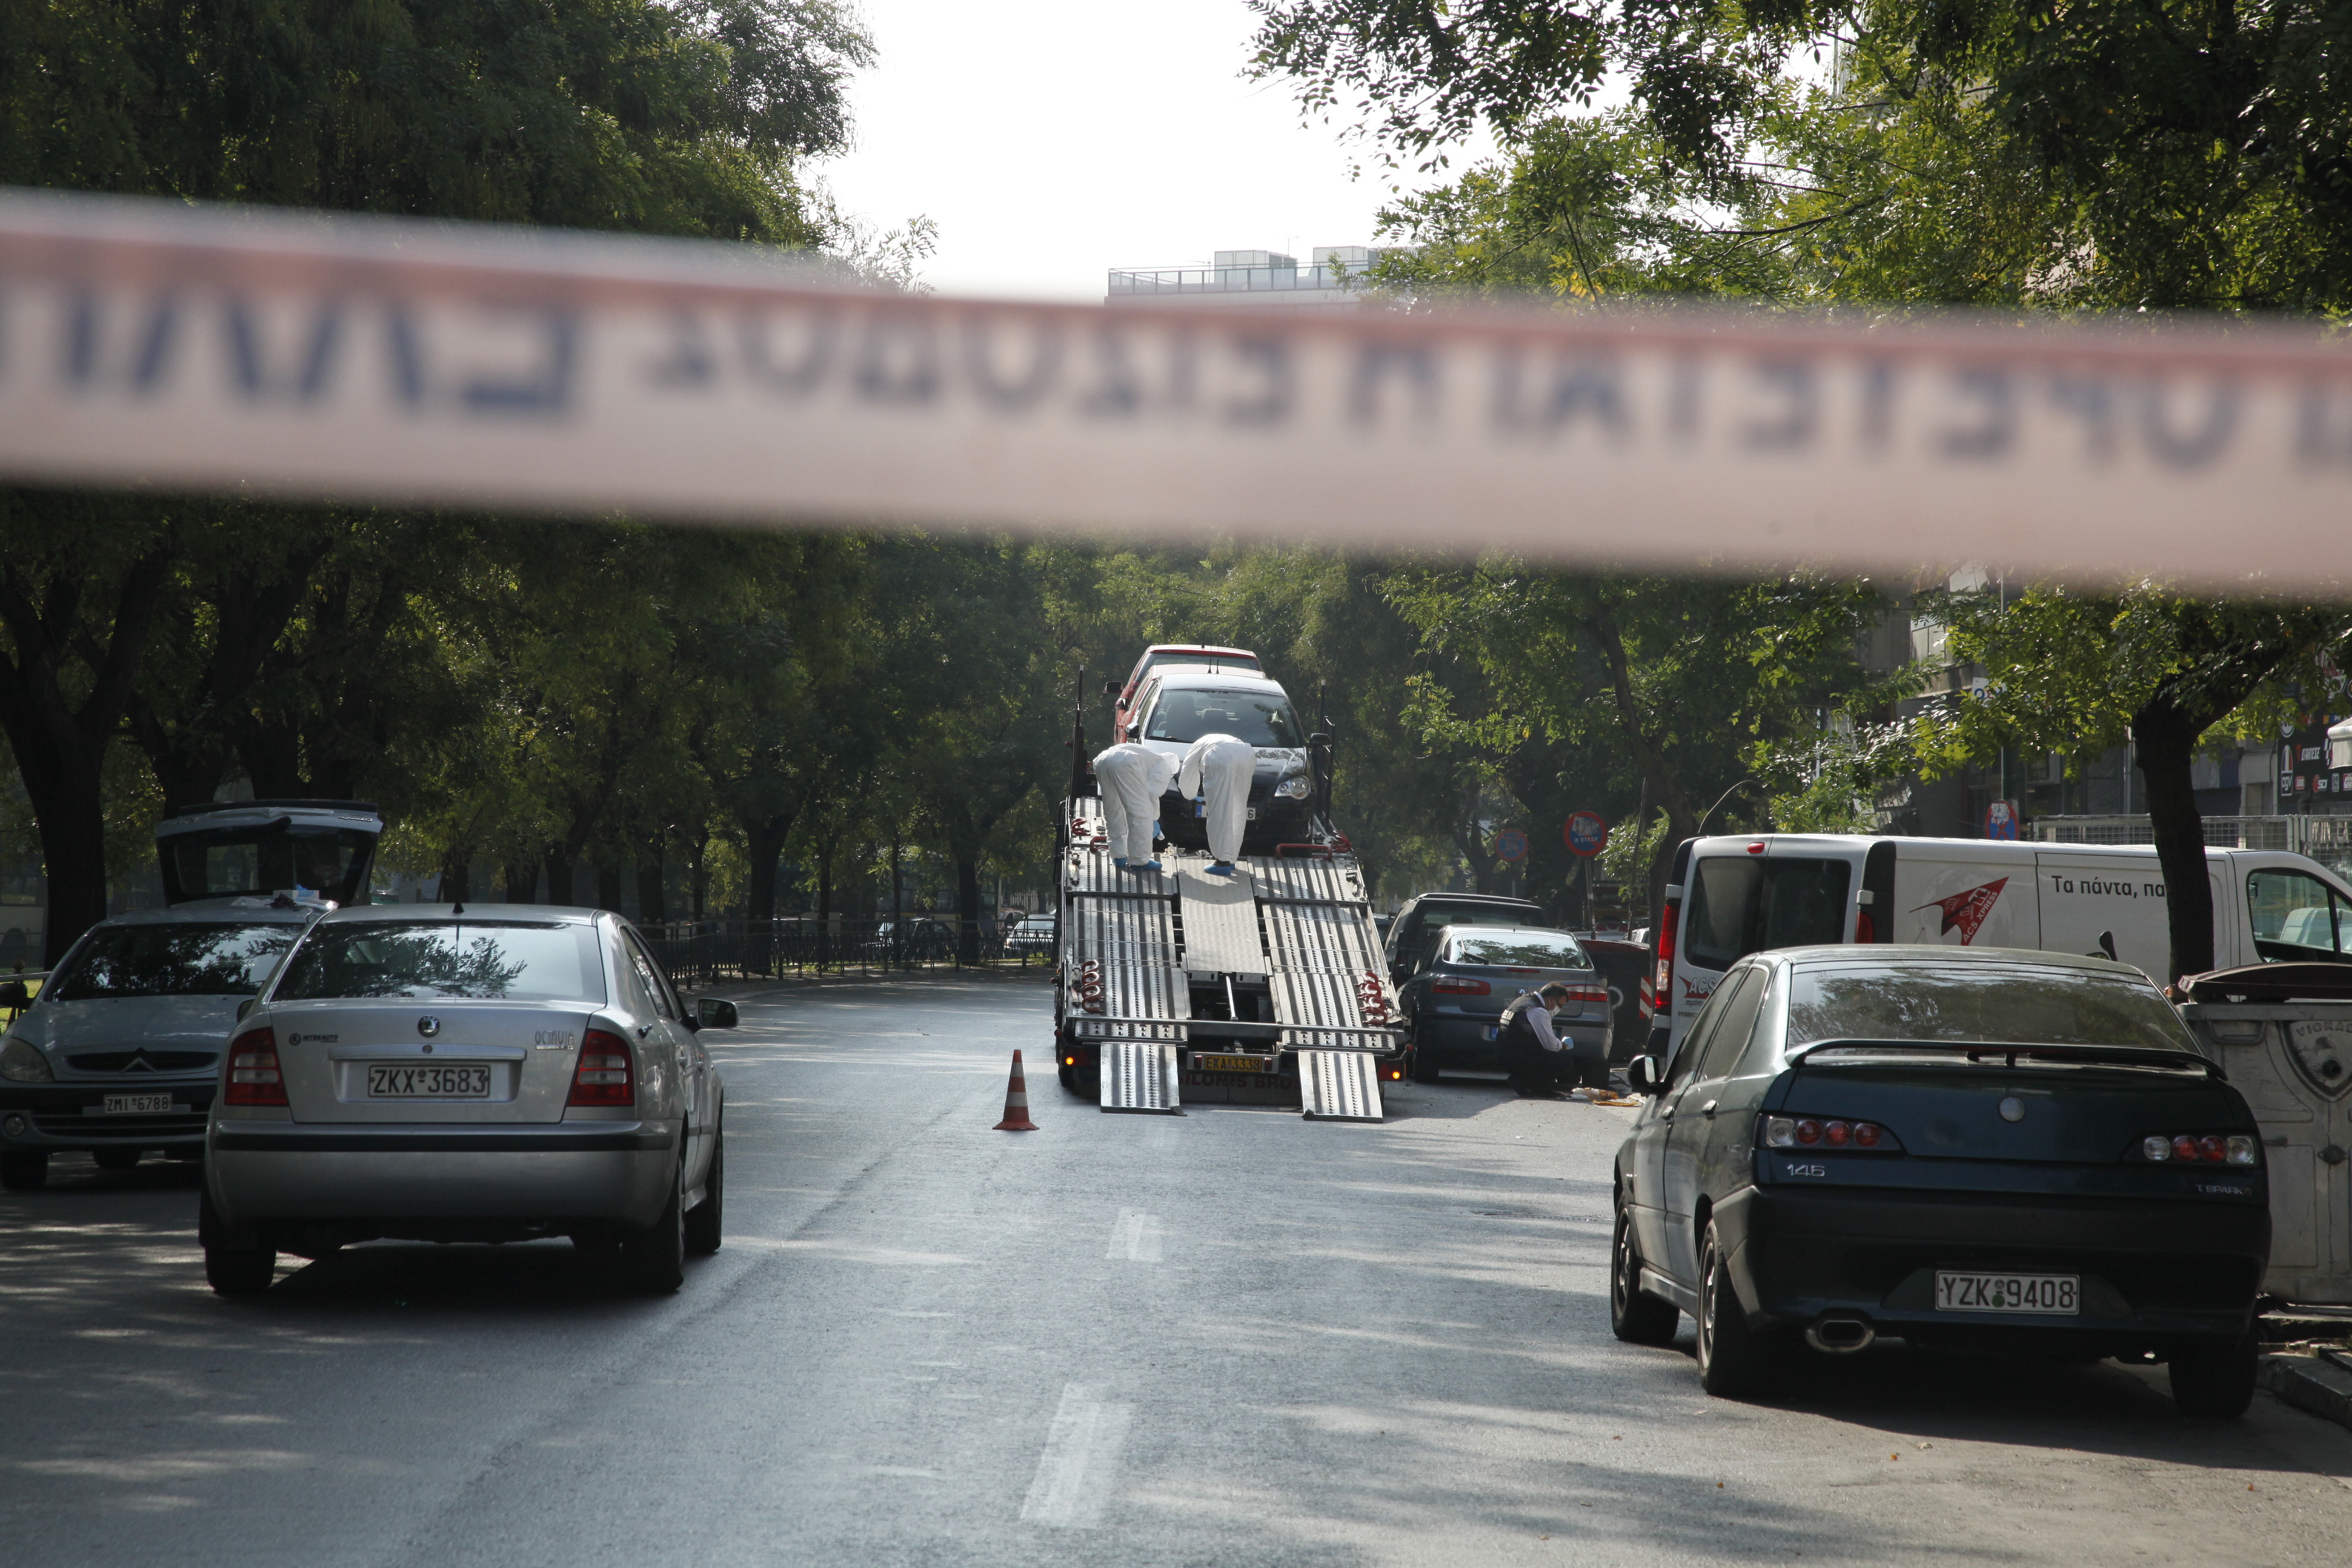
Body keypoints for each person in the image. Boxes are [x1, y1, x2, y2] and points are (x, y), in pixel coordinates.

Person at [1496, 982, 1614, 1100]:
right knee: (1563, 1062)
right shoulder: (1538, 1011)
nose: (1559, 1009)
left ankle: (1527, 1082)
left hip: (1504, 1055)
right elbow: (1551, 1045)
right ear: (1551, 1000)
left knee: (1545, 1055)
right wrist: (1564, 1045)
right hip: (1516, 1058)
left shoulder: (1523, 1001)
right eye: (1560, 1005)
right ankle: (1530, 1084)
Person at [1092, 741, 1179, 872]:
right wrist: (1153, 817)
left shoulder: (1148, 756)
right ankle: (1140, 861)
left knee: (1114, 810)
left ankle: (1119, 856)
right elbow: (1154, 792)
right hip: (1125, 761)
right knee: (1140, 814)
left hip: (1102, 760)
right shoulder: (1165, 763)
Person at [1177, 731, 1255, 874]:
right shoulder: (1210, 740)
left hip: (1219, 755)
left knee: (1219, 810)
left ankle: (1222, 862)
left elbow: (1187, 772)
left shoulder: (1197, 747)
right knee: (1238, 808)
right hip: (1247, 752)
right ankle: (1231, 859)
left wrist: (1189, 794)